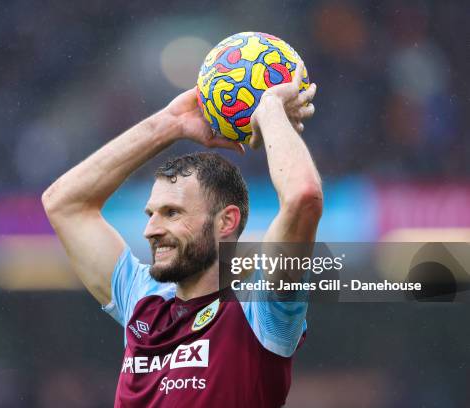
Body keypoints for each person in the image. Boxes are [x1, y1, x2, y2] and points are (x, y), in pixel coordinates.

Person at [42, 61, 321, 407]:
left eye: (171, 213)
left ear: (226, 222)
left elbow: (303, 197)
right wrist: (168, 124)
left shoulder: (262, 313)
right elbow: (63, 204)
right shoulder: (142, 299)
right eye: (151, 214)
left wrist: (270, 112)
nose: (151, 230)